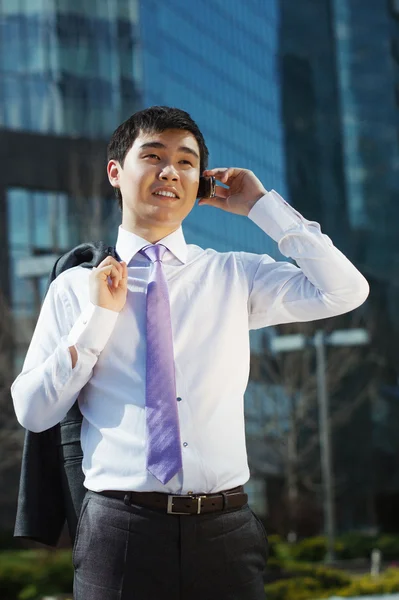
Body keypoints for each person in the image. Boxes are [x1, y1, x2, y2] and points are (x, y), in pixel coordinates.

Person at [11, 106, 369, 600]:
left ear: (199, 180)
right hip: (120, 531)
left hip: (226, 532)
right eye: (153, 156)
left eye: (186, 161)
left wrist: (263, 207)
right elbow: (32, 411)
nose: (170, 172)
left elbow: (345, 291)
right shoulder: (77, 288)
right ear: (116, 172)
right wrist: (97, 321)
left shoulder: (233, 274)